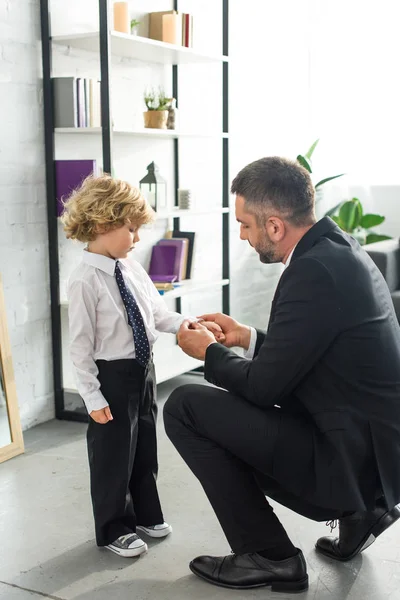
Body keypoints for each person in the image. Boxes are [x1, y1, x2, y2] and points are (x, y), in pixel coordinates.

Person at [163, 156, 400, 593]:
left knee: (183, 406)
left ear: (274, 226)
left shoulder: (311, 272)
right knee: (218, 405)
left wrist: (209, 352)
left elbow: (263, 387)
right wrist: (245, 336)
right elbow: (312, 353)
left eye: (246, 225)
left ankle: (270, 556)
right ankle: (363, 512)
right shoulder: (337, 249)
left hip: (345, 462)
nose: (242, 235)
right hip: (371, 458)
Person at [62, 174, 222, 558]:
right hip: (111, 379)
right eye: (131, 229)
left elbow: (155, 313)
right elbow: (80, 348)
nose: (137, 238)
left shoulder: (131, 268)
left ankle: (147, 514)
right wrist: (92, 396)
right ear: (102, 223)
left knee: (144, 448)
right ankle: (113, 527)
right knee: (113, 456)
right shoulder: (85, 281)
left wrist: (185, 324)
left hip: (143, 372)